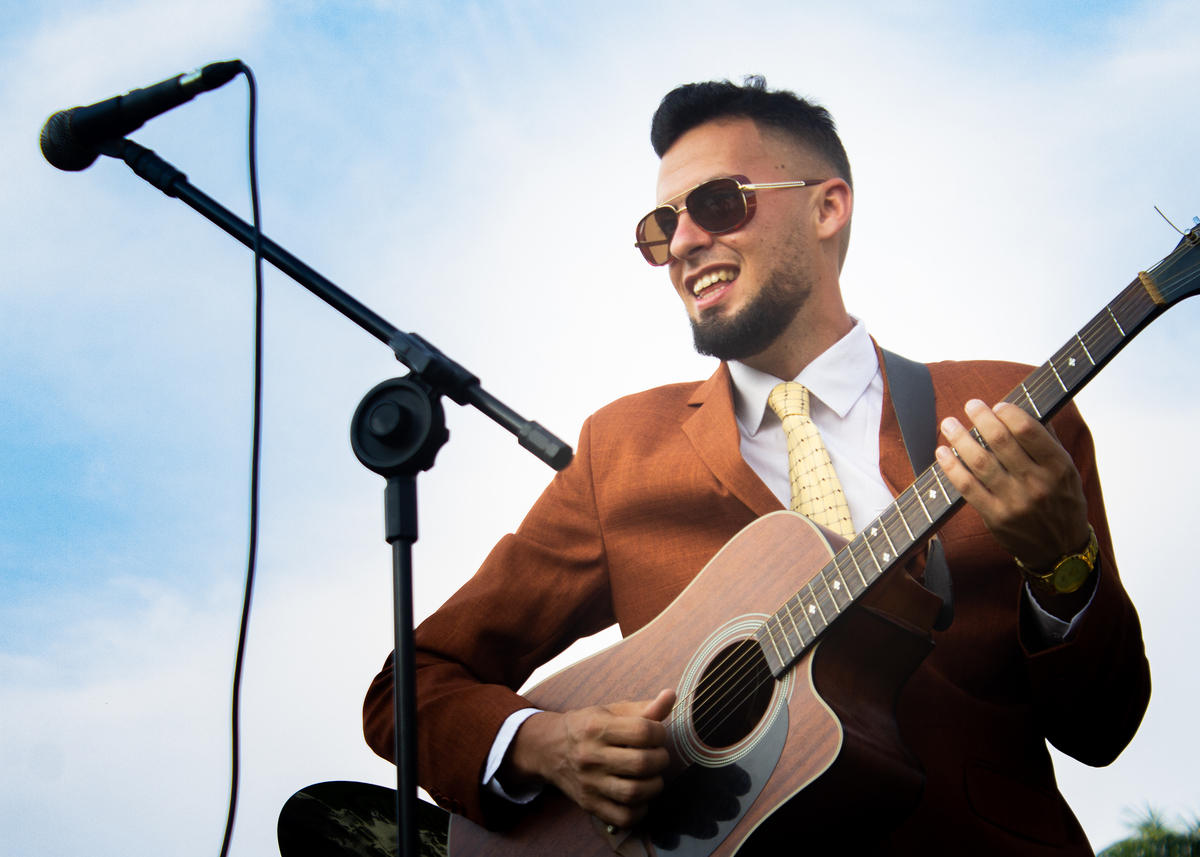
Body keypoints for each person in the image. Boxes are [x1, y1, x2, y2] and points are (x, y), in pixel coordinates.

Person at [364, 77, 1150, 855]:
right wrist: (545, 743)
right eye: (659, 227)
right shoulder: (622, 452)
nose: (681, 244)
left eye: (716, 203)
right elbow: (410, 687)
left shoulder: (1007, 409)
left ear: (827, 206)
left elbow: (1102, 726)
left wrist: (1063, 565)